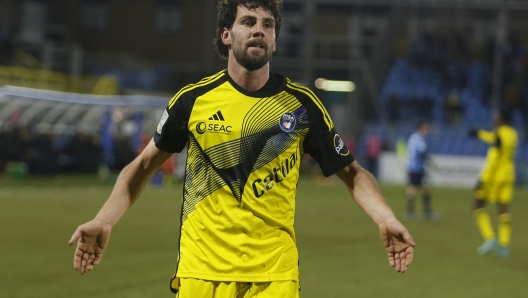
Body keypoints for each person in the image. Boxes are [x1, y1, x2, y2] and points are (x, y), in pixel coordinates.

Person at [68, 1, 415, 297]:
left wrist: (385, 217)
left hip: (274, 275)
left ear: (276, 39)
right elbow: (143, 166)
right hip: (200, 271)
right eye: (247, 22)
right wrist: (104, 219)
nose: (259, 30)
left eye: (267, 24)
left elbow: (352, 173)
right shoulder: (193, 101)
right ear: (226, 35)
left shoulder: (301, 106)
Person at [468, 108, 518, 257]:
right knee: (503, 209)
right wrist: (479, 133)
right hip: (509, 175)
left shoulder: (499, 133)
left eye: (497, 115)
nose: (494, 117)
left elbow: (494, 158)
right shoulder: (512, 134)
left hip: (495, 176)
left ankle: (490, 238)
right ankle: (504, 245)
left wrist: (482, 179)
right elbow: (494, 139)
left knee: (478, 205)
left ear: (501, 118)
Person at [405, 120, 437, 220]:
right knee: (415, 188)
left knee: (423, 187)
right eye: (426, 128)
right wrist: (431, 163)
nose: (428, 130)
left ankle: (414, 211)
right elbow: (422, 152)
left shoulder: (412, 137)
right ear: (422, 128)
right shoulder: (419, 139)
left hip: (412, 167)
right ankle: (418, 211)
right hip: (417, 168)